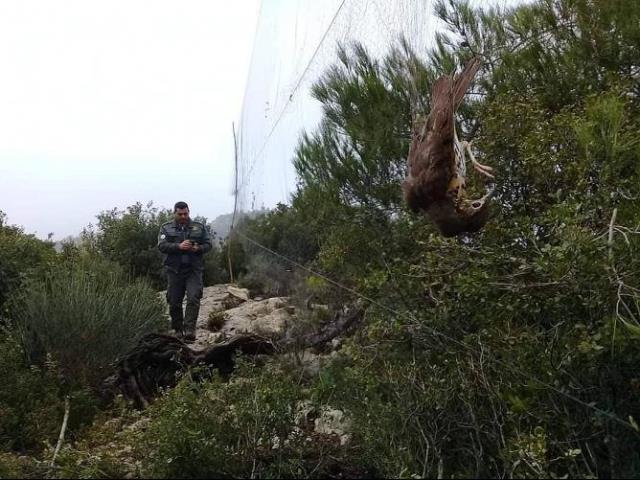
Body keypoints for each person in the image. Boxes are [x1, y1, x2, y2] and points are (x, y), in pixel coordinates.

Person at [157, 201, 212, 341]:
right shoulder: (166, 228)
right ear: (175, 213)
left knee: (194, 297)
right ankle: (178, 329)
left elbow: (208, 244)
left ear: (189, 212)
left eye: (185, 213)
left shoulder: (199, 228)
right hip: (174, 270)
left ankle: (189, 330)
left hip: (194, 269)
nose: (183, 216)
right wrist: (178, 246)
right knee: (174, 301)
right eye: (180, 214)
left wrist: (198, 248)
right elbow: (162, 246)